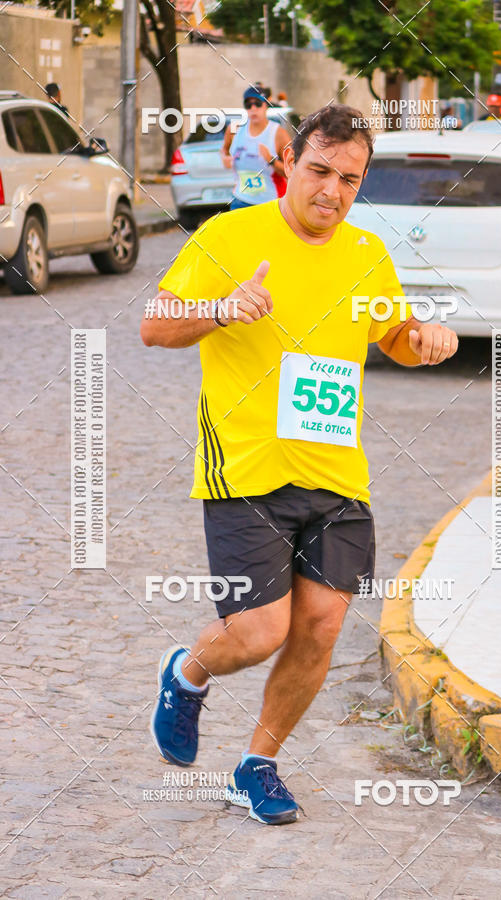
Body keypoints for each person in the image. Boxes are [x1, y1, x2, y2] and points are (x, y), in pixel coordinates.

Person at [141, 103, 458, 826]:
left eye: (350, 179)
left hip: (337, 474)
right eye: (319, 170)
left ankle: (257, 766)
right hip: (246, 468)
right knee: (259, 632)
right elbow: (155, 324)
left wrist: (425, 340)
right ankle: (186, 674)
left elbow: (395, 338)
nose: (332, 192)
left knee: (318, 627)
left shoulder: (367, 254)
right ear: (288, 161)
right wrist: (222, 308)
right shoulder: (230, 235)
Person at [220, 86, 290, 209]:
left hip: (271, 202)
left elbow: (292, 171)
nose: (253, 108)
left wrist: (271, 160)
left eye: (257, 104)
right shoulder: (234, 130)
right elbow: (224, 151)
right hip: (241, 200)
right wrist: (224, 158)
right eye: (248, 104)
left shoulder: (278, 134)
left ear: (266, 105)